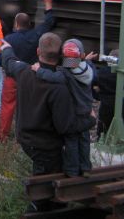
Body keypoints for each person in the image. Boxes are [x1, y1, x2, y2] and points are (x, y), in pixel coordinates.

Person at [1, 34, 95, 212]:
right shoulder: (60, 86)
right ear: (60, 55)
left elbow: (9, 62)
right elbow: (66, 127)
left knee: (45, 182)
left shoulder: (24, 71)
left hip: (26, 139)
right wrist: (90, 120)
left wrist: (6, 48)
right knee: (45, 194)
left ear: (38, 51)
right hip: (47, 146)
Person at [0, 0, 55, 142]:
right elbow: (49, 22)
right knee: (30, 106)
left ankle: (2, 135)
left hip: (12, 77)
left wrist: (7, 66)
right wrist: (48, 3)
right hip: (31, 76)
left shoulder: (8, 39)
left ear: (16, 24)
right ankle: (26, 135)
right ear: (29, 24)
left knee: (8, 106)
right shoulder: (36, 35)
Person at [32, 39, 95, 177]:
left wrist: (39, 70)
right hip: (87, 110)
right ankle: (85, 168)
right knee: (84, 140)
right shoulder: (88, 69)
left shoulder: (66, 73)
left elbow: (53, 77)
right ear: (82, 56)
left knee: (72, 140)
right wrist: (87, 59)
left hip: (74, 112)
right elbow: (80, 63)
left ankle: (72, 170)